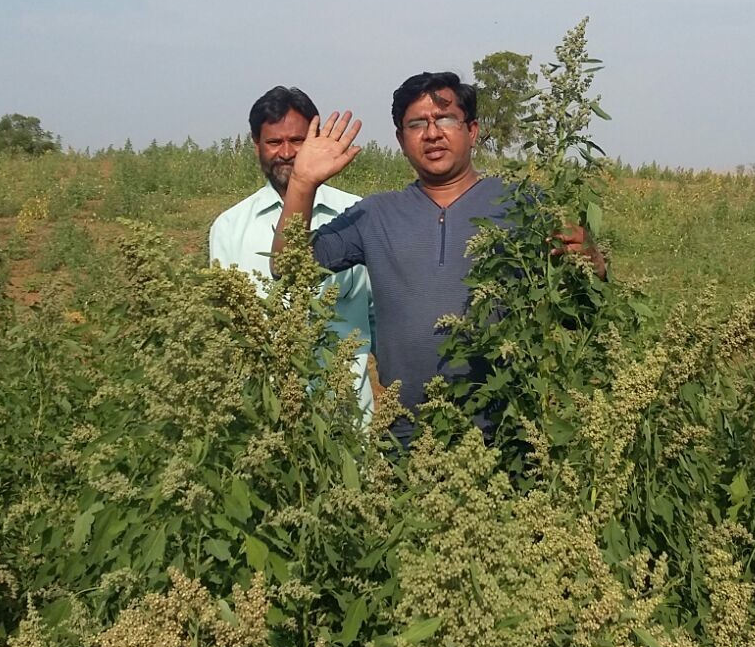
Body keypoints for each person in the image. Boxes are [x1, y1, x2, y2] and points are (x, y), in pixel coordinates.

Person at [271, 70, 602, 439]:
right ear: (400, 139)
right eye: (416, 124)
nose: (431, 133)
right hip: (405, 437)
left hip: (507, 435)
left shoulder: (523, 206)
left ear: (472, 130)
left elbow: (583, 312)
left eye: (444, 119)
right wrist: (302, 183)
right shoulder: (375, 215)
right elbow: (288, 266)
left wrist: (593, 267)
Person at [208, 85, 374, 414]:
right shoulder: (229, 227)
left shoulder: (358, 215)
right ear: (256, 146)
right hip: (262, 413)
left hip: (344, 413)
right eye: (273, 142)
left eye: (297, 141)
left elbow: (379, 314)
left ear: (316, 140)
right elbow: (223, 327)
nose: (286, 152)